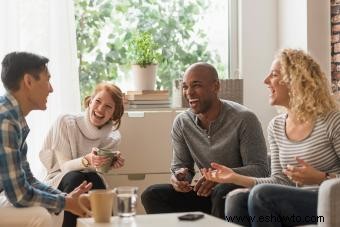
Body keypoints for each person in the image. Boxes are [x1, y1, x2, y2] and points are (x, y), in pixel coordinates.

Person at [202, 49, 340, 227]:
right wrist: (233, 177)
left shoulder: (332, 120)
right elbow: (279, 181)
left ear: (295, 81)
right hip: (294, 203)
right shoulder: (276, 126)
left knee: (263, 195)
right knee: (236, 199)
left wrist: (322, 177)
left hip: (329, 202)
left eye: (274, 75)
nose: (266, 81)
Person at [141, 62, 269, 219]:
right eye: (185, 86)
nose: (189, 92)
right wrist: (179, 177)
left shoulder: (244, 119)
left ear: (215, 86)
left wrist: (218, 178)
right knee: (152, 194)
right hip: (206, 194)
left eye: (196, 85)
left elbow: (260, 170)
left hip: (238, 197)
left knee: (223, 190)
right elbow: (182, 166)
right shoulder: (182, 122)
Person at [0, 51, 92, 227]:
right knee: (40, 215)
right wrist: (67, 203)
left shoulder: (15, 119)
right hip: (5, 195)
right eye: (47, 79)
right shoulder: (5, 120)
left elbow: (27, 180)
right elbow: (19, 195)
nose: (51, 88)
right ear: (28, 81)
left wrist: (64, 198)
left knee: (53, 210)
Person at [39, 82, 125, 227]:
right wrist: (87, 160)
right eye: (97, 101)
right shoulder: (66, 122)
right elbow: (65, 167)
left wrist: (109, 163)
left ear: (114, 114)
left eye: (108, 107)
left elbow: (97, 170)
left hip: (89, 178)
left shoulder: (113, 136)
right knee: (77, 177)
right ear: (90, 102)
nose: (100, 109)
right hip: (59, 177)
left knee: (94, 179)